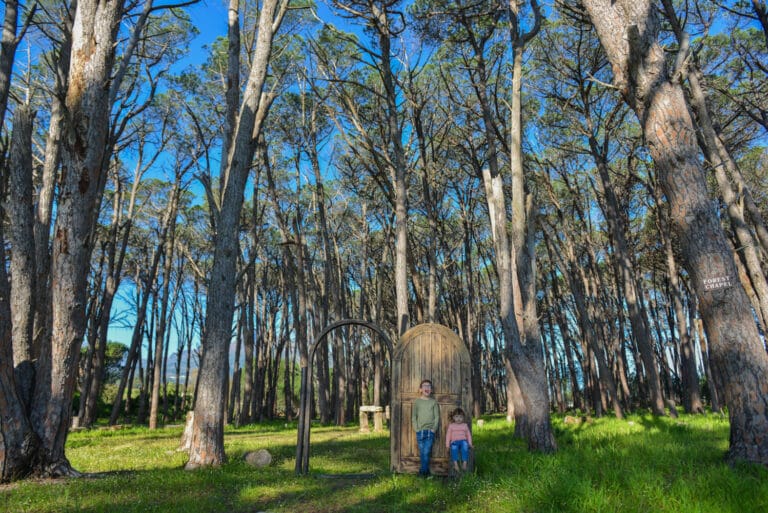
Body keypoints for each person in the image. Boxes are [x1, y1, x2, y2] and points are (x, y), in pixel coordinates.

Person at [411, 379, 440, 477]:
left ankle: (422, 472)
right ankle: (426, 472)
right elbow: (414, 416)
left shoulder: (433, 402)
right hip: (420, 431)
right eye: (424, 386)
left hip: (430, 431)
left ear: (431, 390)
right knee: (422, 452)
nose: (427, 388)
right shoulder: (417, 402)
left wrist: (434, 429)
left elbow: (437, 417)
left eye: (429, 386)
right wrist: (416, 428)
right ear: (420, 389)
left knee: (426, 452)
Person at [445, 407, 473, 474]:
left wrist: (470, 443)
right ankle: (456, 464)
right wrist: (447, 445)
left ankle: (464, 463)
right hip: (454, 441)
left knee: (465, 446)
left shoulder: (465, 425)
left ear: (463, 418)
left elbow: (468, 435)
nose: (458, 419)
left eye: (460, 417)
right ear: (453, 417)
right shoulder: (451, 426)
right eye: (456, 417)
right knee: (454, 449)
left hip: (463, 441)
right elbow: (448, 436)